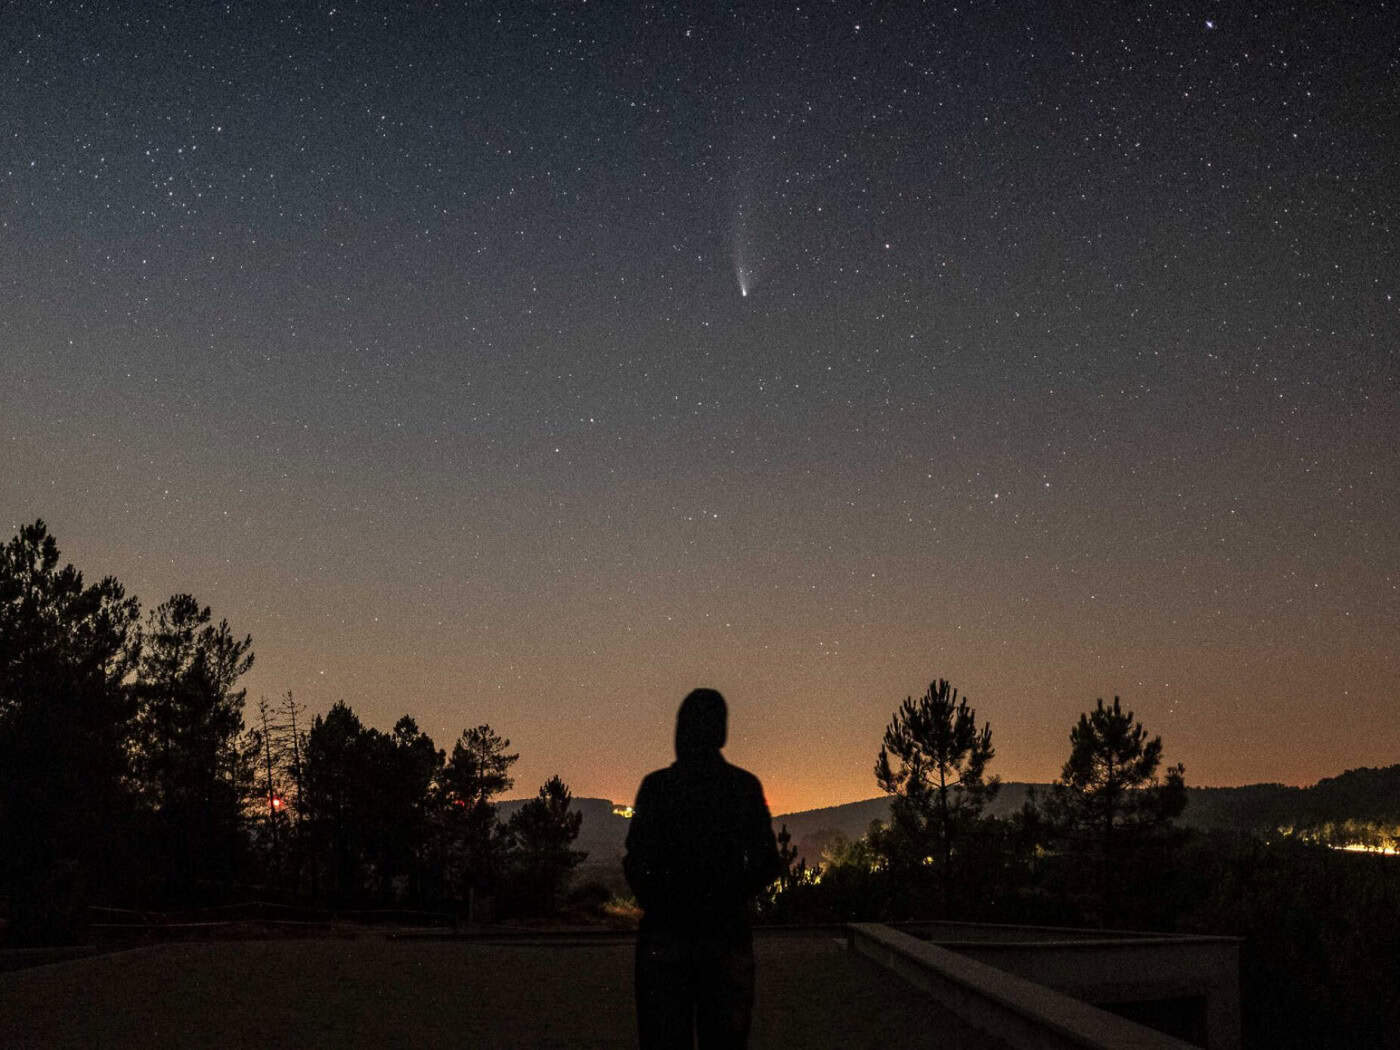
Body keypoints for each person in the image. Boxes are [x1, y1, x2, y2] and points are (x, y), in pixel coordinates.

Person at [624, 688, 782, 1049]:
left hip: (666, 936)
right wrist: (729, 898)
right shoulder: (742, 787)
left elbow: (635, 860)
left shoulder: (657, 787)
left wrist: (659, 902)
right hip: (725, 936)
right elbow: (767, 861)